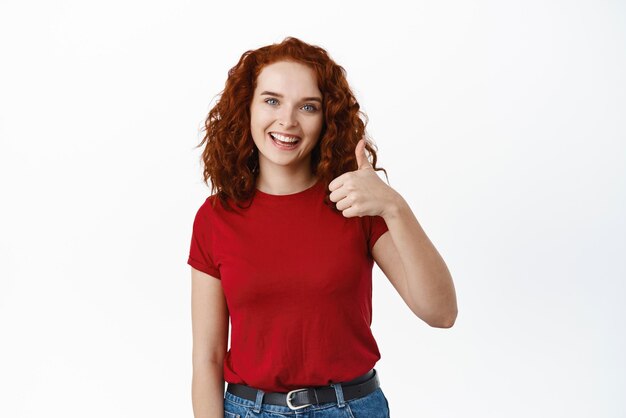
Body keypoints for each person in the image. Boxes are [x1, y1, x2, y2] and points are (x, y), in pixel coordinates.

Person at [187, 36, 458, 418]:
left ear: (326, 117)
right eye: (271, 100)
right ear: (245, 108)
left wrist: (395, 206)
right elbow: (208, 358)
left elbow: (440, 312)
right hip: (248, 410)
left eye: (308, 107)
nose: (287, 120)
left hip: (350, 408)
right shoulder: (216, 217)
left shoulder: (357, 203)